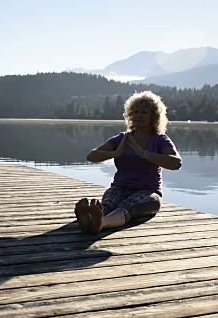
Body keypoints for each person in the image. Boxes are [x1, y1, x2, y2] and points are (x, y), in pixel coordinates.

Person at [75, 90, 182, 234]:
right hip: (120, 187)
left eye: (144, 112)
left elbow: (176, 163)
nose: (138, 115)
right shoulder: (123, 139)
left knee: (127, 206)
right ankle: (90, 219)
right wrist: (115, 153)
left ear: (154, 116)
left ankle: (101, 223)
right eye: (135, 111)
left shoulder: (160, 140)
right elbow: (92, 156)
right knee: (108, 204)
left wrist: (144, 154)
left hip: (148, 192)